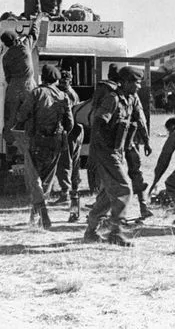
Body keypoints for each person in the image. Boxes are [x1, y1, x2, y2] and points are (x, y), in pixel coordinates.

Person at [84, 66, 141, 246]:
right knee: (124, 189)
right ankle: (116, 232)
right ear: (124, 82)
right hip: (106, 152)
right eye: (135, 82)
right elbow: (98, 124)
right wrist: (94, 154)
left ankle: (91, 232)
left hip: (118, 152)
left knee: (107, 196)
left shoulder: (130, 100)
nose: (138, 86)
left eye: (139, 82)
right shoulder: (112, 99)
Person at [15, 65, 74, 229]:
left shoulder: (36, 93)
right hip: (56, 142)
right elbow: (70, 124)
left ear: (43, 78)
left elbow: (22, 115)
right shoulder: (63, 95)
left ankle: (42, 211)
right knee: (47, 180)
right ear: (56, 79)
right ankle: (36, 217)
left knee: (34, 178)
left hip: (36, 141)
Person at [1, 14, 42, 150]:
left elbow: (7, 77)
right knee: (32, 114)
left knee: (11, 117)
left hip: (13, 87)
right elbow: (34, 33)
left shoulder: (5, 57)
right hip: (28, 85)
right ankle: (33, 142)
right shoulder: (24, 46)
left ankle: (10, 145)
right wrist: (37, 19)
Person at [52, 70, 84, 222]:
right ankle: (74, 189)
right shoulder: (74, 93)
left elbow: (68, 116)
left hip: (70, 132)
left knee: (65, 162)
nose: (62, 82)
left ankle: (65, 192)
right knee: (74, 162)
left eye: (65, 80)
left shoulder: (65, 95)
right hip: (77, 132)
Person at [86, 64, 120, 193]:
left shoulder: (102, 87)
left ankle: (95, 188)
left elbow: (94, 107)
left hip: (100, 128)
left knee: (94, 160)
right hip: (115, 132)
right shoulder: (121, 90)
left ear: (109, 74)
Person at [125, 93, 154, 220]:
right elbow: (141, 120)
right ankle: (143, 207)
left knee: (110, 173)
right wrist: (146, 141)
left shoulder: (106, 92)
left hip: (115, 143)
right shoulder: (132, 95)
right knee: (136, 172)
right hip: (130, 142)